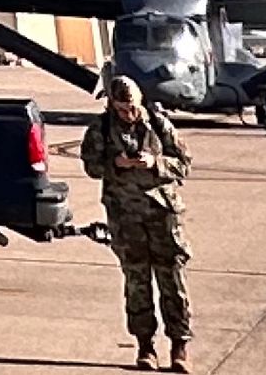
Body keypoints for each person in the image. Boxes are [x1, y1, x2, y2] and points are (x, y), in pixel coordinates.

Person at [77, 72, 193, 370]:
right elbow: (91, 166)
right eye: (121, 109)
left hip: (162, 213)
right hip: (125, 216)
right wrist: (114, 164)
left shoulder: (158, 123)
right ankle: (145, 346)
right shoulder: (101, 129)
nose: (128, 114)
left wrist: (156, 163)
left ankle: (179, 345)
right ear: (111, 106)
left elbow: (184, 164)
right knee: (137, 280)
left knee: (172, 278)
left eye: (132, 108)